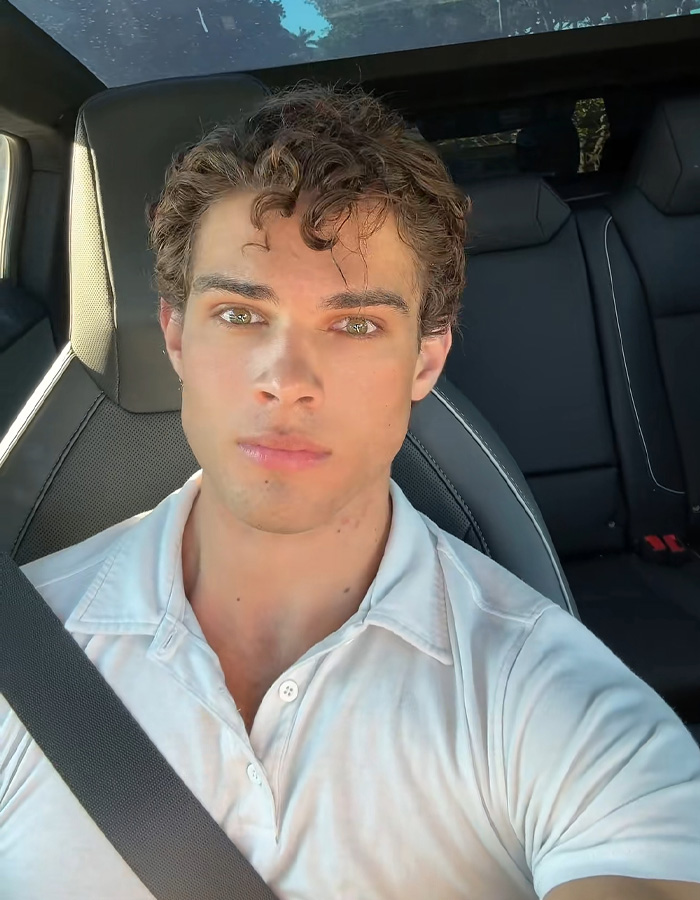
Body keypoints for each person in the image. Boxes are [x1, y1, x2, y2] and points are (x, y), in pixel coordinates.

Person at [2, 83, 700, 900]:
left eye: (357, 324)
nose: (287, 382)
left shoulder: (555, 701)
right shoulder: (21, 654)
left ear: (426, 362)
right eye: (238, 313)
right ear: (175, 337)